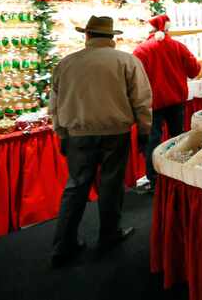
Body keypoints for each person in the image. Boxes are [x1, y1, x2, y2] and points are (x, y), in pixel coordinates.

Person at [50, 16, 152, 268]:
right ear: (112, 38)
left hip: (78, 133)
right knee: (111, 184)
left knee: (75, 187)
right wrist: (144, 131)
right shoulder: (126, 61)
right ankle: (109, 234)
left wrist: (61, 133)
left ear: (87, 36)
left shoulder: (66, 63)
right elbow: (142, 100)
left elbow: (54, 104)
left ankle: (63, 245)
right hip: (114, 132)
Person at [133, 14, 201, 193]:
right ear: (168, 29)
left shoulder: (141, 50)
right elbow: (194, 70)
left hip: (152, 103)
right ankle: (178, 174)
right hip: (176, 100)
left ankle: (154, 180)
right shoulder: (178, 46)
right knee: (177, 137)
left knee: (152, 142)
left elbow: (135, 81)